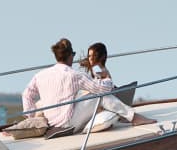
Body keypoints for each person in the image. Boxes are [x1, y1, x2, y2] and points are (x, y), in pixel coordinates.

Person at [22, 38, 155, 136]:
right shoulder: (74, 75)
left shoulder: (40, 75)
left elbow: (27, 94)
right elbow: (103, 89)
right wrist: (107, 78)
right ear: (70, 56)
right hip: (67, 123)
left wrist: (30, 116)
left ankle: (126, 114)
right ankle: (133, 117)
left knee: (71, 96)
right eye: (73, 54)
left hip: (52, 122)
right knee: (100, 96)